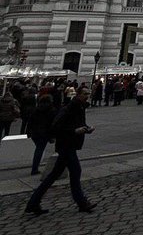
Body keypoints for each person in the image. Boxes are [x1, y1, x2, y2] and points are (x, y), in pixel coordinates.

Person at [24, 87, 96, 216]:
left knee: (54, 175)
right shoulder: (69, 108)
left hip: (69, 146)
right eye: (85, 94)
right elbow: (56, 127)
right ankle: (82, 203)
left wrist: (86, 128)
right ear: (77, 95)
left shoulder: (80, 107)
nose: (88, 96)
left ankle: (33, 203)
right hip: (66, 146)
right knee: (75, 172)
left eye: (88, 94)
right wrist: (74, 131)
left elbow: (78, 123)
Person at [27, 92, 56, 175]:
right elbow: (52, 124)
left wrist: (29, 132)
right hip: (45, 133)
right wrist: (52, 136)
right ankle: (34, 168)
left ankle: (35, 168)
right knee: (39, 150)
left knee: (38, 149)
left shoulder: (36, 109)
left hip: (35, 133)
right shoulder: (51, 110)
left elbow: (30, 121)